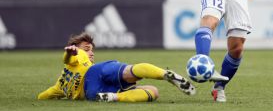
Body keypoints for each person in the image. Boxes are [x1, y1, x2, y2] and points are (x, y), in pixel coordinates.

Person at [37, 33, 195, 102]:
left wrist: (44, 97)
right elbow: (69, 57)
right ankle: (165, 74)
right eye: (87, 48)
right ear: (75, 47)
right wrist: (71, 52)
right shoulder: (78, 55)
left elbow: (44, 96)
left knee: (153, 92)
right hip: (95, 73)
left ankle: (114, 97)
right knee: (129, 71)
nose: (90, 53)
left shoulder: (59, 86)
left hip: (93, 93)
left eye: (92, 49)